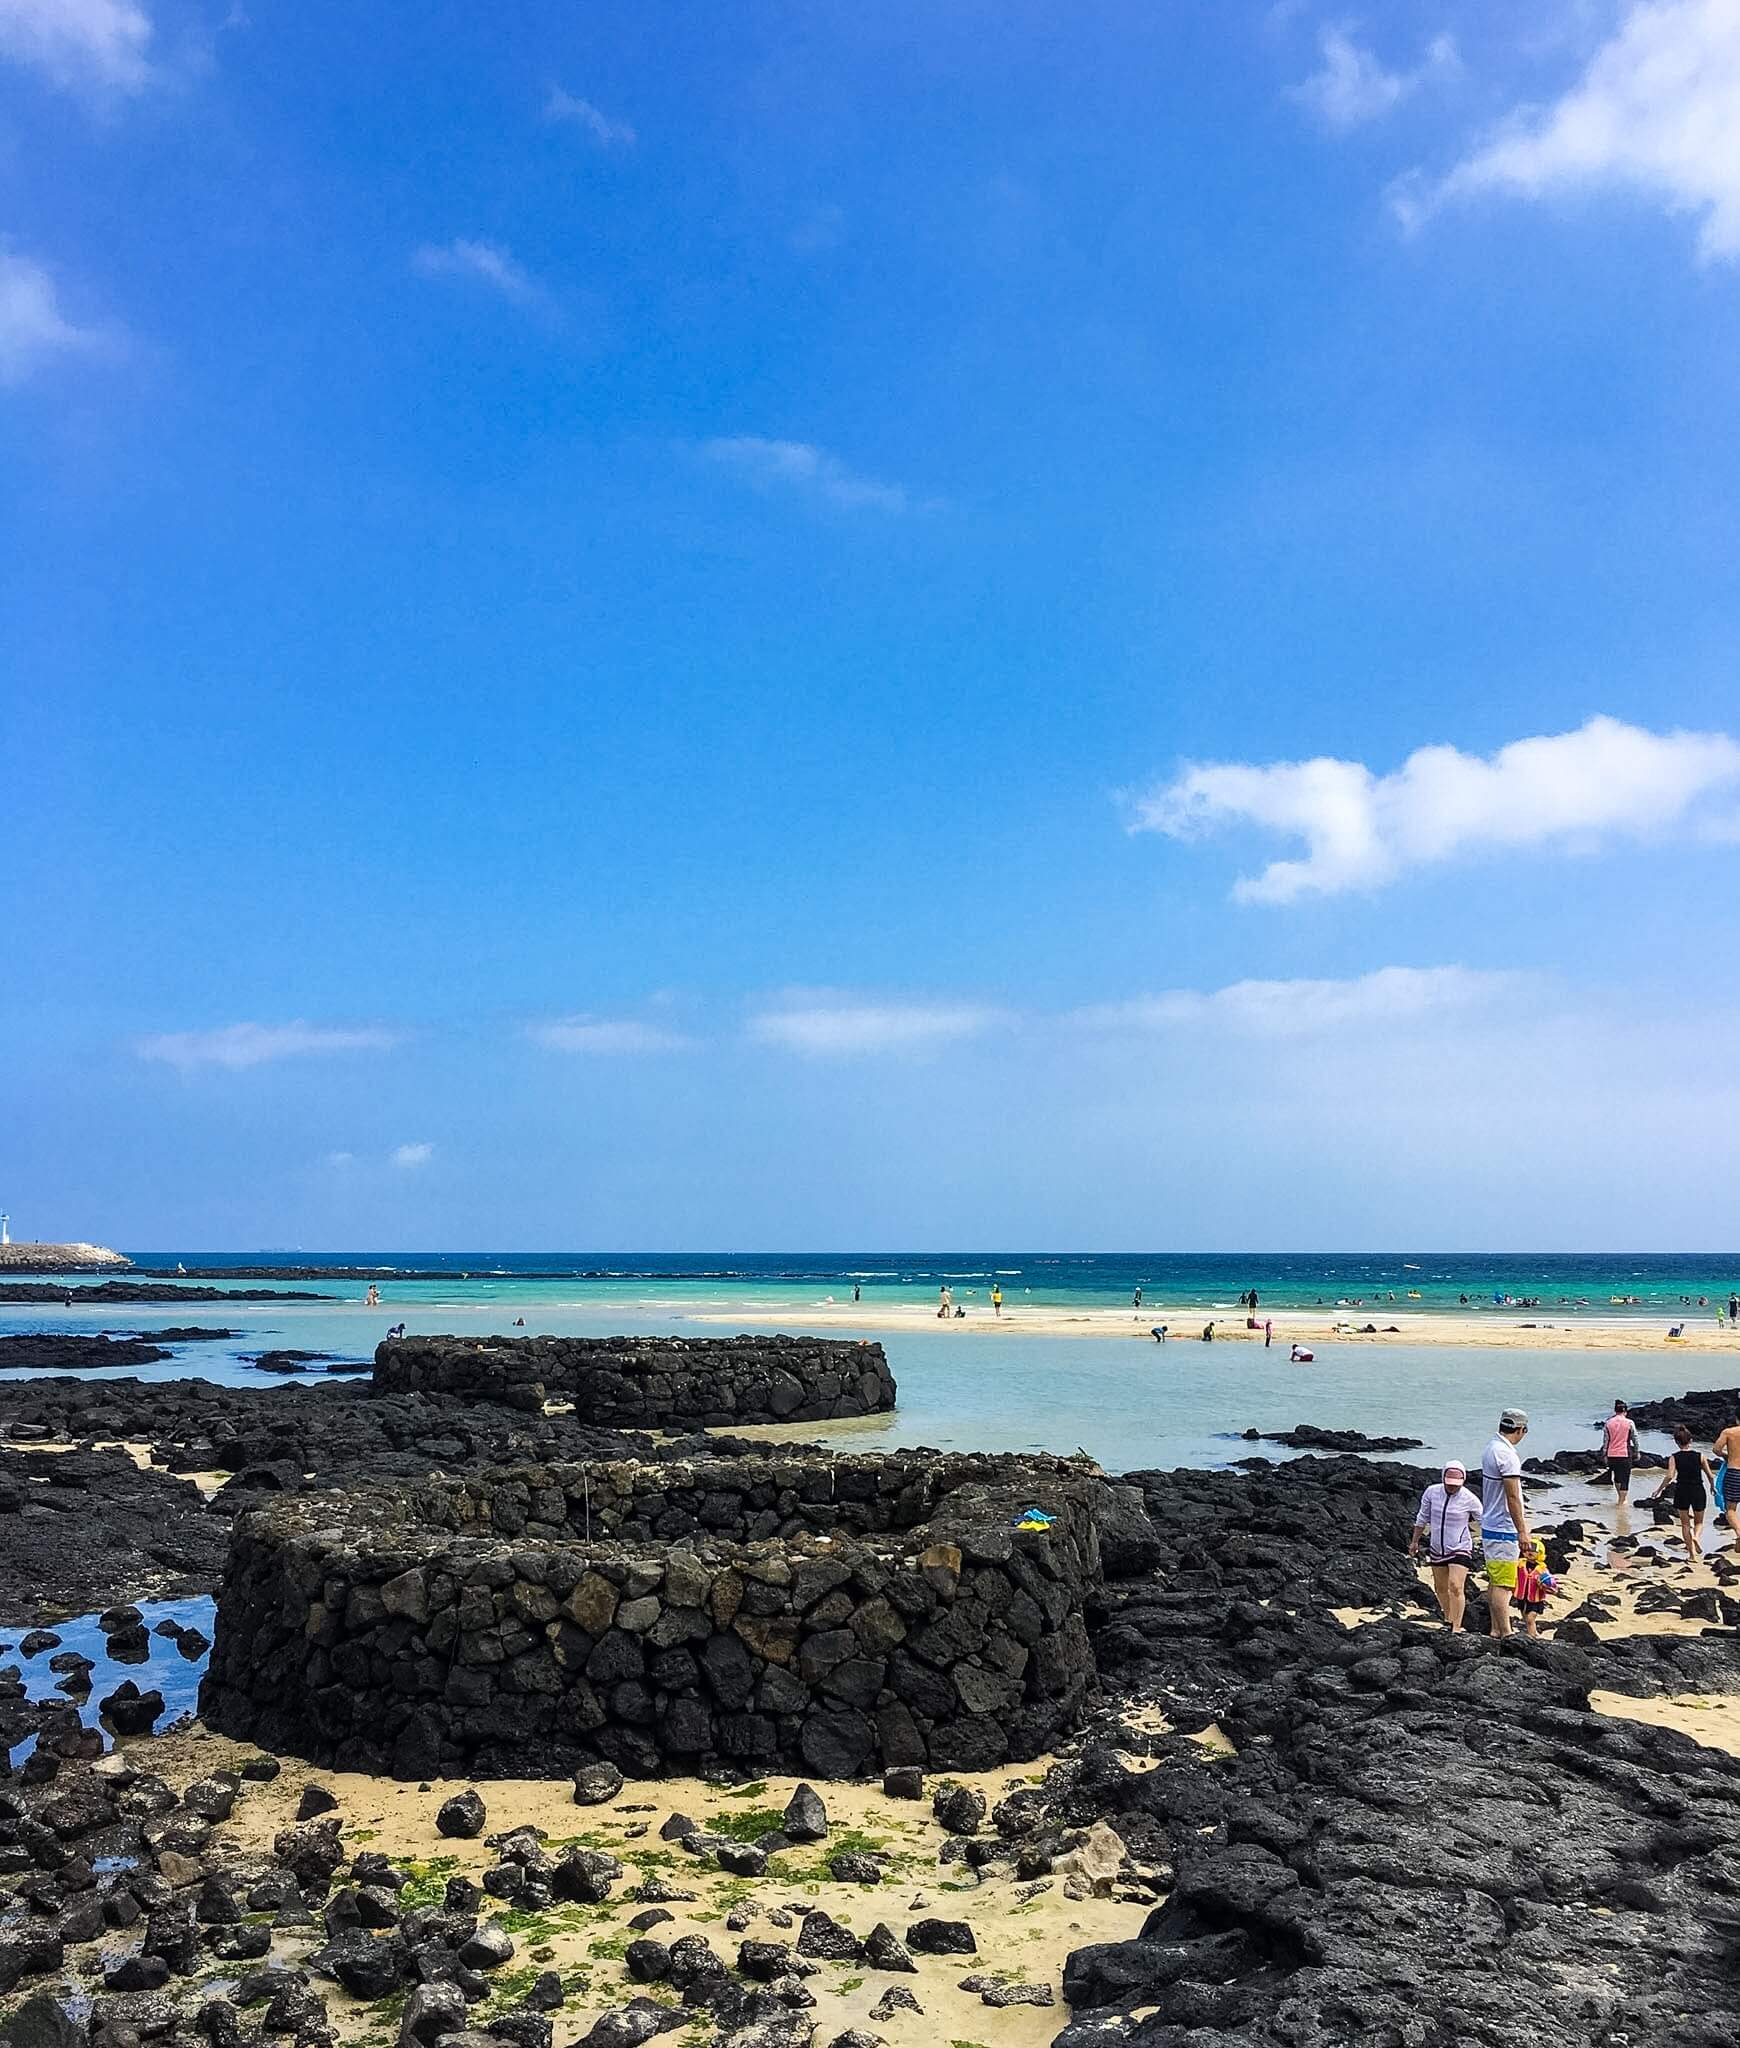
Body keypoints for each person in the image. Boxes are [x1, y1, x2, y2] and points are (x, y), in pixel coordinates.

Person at [1480, 1408, 1534, 1639]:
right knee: (1505, 1584)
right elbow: (1512, 1496)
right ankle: (1506, 1632)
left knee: (1495, 1580)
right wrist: (1523, 1531)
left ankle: (1495, 1629)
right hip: (1503, 1527)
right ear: (1521, 1429)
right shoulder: (1507, 1454)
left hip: (1490, 1524)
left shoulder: (1492, 1446)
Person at [1409, 1461, 1481, 1630]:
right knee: (1440, 1588)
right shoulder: (1432, 1492)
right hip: (1437, 1548)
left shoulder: (1469, 1498)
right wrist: (1414, 1541)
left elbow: (1484, 1521)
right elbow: (1422, 1517)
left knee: (1455, 1585)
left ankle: (1456, 1626)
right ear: (1443, 1478)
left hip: (1460, 1547)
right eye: (1448, 1484)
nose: (1452, 1487)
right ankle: (1448, 1619)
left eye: (1456, 1485)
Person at [1650, 1424, 1713, 1563]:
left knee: (1685, 1524)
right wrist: (1713, 1488)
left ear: (1677, 1442)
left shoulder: (1674, 1457)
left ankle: (1691, 1555)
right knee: (1699, 1522)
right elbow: (1710, 1475)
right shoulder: (1700, 1456)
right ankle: (1696, 1537)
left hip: (1682, 1490)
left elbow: (1669, 1476)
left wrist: (1659, 1490)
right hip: (1698, 1489)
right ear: (1691, 1441)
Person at [1514, 1538, 1560, 1639]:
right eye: (1527, 1550)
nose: (1529, 1552)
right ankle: (1532, 1632)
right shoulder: (1520, 1564)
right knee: (1525, 1616)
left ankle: (1532, 1635)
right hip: (1522, 1595)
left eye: (1533, 1550)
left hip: (1535, 1598)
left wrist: (1552, 1588)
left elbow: (1551, 1583)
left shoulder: (1542, 1569)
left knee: (1530, 1618)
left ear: (1540, 1553)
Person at [1600, 1400, 1639, 1500]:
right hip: (1625, 1453)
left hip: (1612, 1454)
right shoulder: (1629, 1423)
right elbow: (1635, 1438)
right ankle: (1622, 1501)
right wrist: (1637, 1451)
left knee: (1617, 1478)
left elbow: (1606, 1440)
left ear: (1615, 1411)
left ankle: (1620, 1497)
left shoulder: (1608, 1423)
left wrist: (1604, 1454)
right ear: (1625, 1411)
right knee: (1625, 1479)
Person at [1713, 1408, 1740, 1539]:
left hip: (1734, 1472)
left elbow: (1716, 1449)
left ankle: (1739, 1532)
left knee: (1730, 1509)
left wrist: (1726, 1456)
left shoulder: (1729, 1432)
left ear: (1736, 1419)